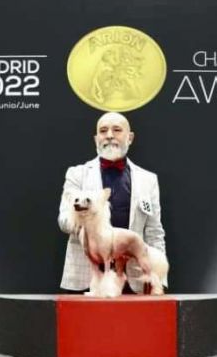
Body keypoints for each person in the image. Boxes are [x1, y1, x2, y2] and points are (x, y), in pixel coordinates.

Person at [58, 112, 167, 293]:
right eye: (103, 131)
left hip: (135, 282)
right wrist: (87, 219)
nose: (109, 135)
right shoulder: (76, 174)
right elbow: (64, 221)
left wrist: (158, 278)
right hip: (85, 281)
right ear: (96, 139)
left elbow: (154, 232)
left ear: (130, 138)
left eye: (117, 130)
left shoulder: (148, 180)